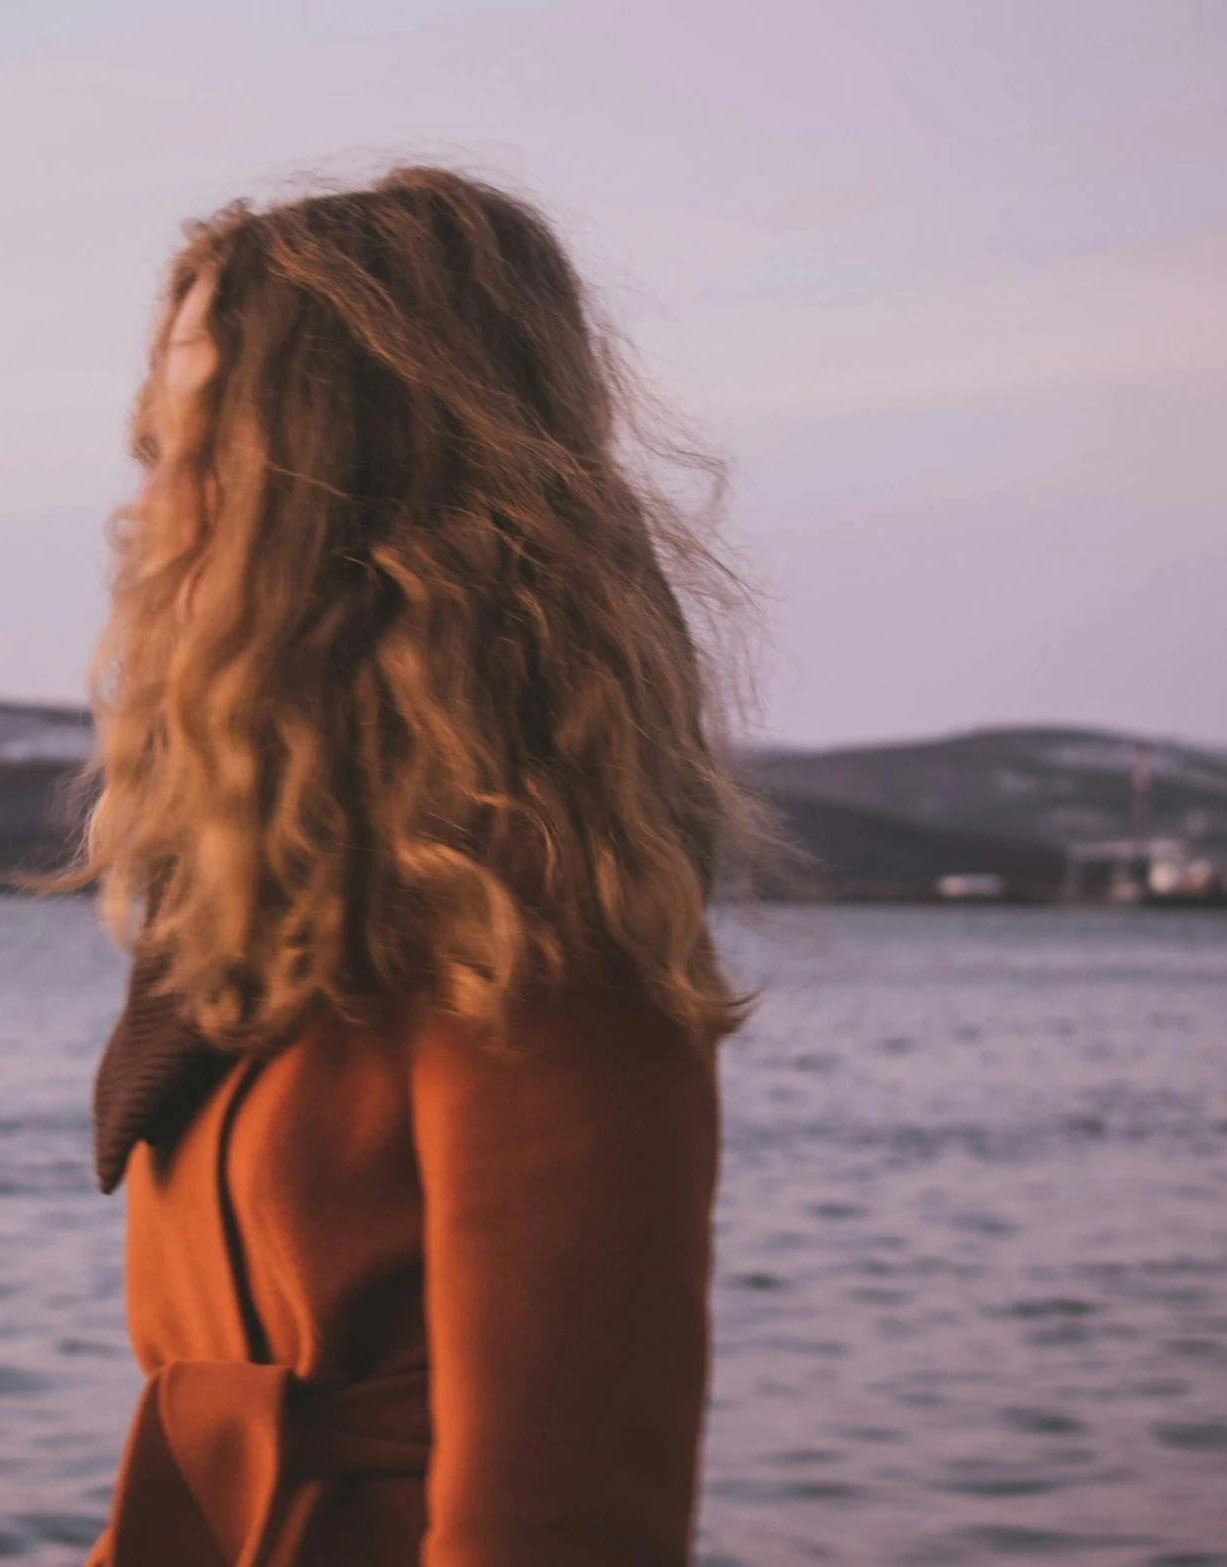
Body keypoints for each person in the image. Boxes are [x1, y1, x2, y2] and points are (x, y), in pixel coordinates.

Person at [59, 165, 763, 1567]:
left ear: (343, 485)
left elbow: (566, 1528)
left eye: (203, 445)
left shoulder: (525, 929)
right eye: (149, 446)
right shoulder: (291, 897)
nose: (145, 510)